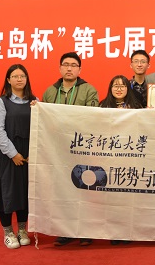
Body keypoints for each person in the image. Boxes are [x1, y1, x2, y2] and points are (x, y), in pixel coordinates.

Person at [42, 52, 98, 246]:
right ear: (59, 68)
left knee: (84, 189)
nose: (69, 68)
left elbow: (93, 116)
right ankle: (65, 231)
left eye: (73, 65)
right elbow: (44, 119)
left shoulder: (89, 90)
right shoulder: (50, 92)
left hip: (81, 148)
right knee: (61, 190)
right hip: (57, 150)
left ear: (79, 70)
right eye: (65, 64)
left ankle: (85, 231)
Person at [0, 64, 36, 249]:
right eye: (15, 76)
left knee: (25, 191)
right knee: (7, 191)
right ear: (8, 80)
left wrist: (33, 152)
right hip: (8, 154)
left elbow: (40, 127)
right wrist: (13, 154)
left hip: (29, 153)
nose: (19, 79)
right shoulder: (1, 102)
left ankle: (23, 230)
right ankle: (8, 232)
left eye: (22, 76)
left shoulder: (34, 101)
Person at [99, 75, 142, 245]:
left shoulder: (136, 106)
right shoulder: (102, 106)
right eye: (115, 86)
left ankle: (128, 231)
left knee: (128, 197)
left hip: (130, 158)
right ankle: (113, 232)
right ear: (110, 88)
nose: (119, 89)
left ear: (127, 89)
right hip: (109, 158)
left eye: (122, 86)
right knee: (111, 198)